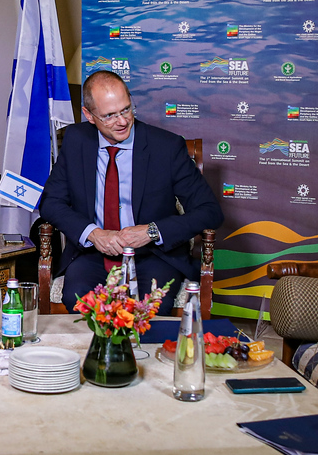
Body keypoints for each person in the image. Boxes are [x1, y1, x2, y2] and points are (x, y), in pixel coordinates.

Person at [39, 70, 221, 308]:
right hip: (93, 254)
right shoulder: (76, 140)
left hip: (153, 255)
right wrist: (93, 233)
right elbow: (51, 202)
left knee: (148, 307)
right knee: (79, 300)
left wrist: (151, 232)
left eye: (126, 109)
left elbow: (210, 211)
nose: (123, 121)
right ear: (89, 115)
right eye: (110, 115)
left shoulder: (166, 147)